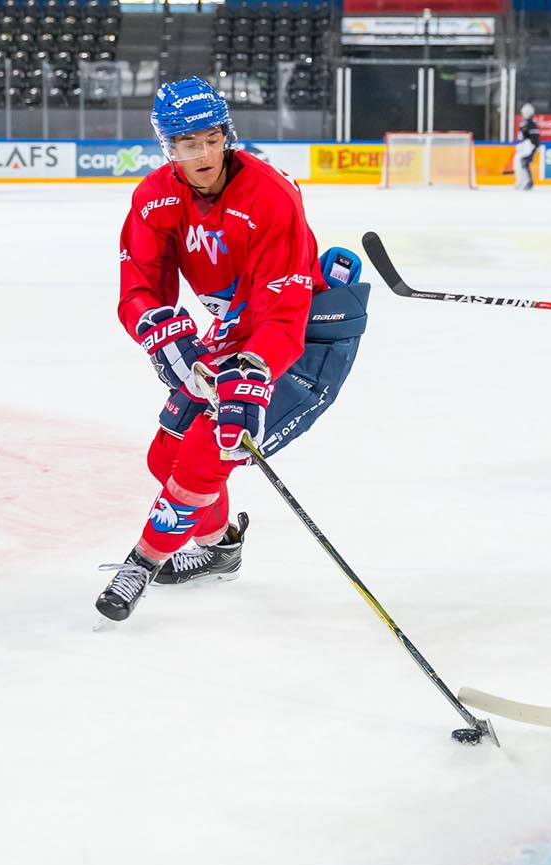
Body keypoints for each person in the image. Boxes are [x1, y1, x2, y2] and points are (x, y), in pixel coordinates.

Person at [97, 76, 370, 622]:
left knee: (207, 453)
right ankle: (220, 549)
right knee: (165, 457)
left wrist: (255, 370)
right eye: (187, 143)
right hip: (236, 333)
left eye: (211, 139)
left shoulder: (270, 195)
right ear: (167, 146)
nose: (202, 155)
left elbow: (283, 312)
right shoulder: (154, 198)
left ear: (227, 135)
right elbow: (140, 286)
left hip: (304, 340)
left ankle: (141, 564)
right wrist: (157, 327)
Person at [514, 103, 541, 191]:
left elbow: (534, 137)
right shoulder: (524, 123)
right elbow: (522, 136)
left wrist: (534, 147)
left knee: (524, 163)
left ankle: (528, 182)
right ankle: (522, 181)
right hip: (524, 147)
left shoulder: (531, 124)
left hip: (529, 147)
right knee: (521, 163)